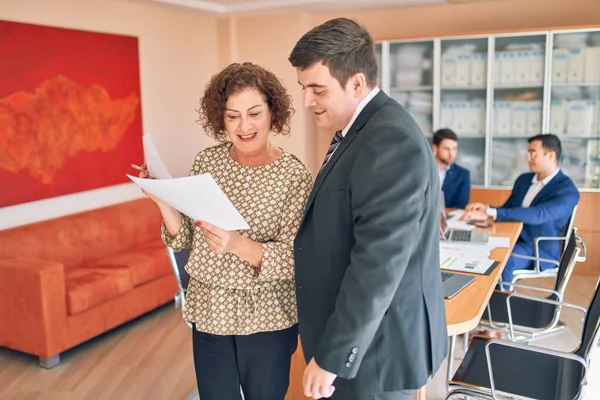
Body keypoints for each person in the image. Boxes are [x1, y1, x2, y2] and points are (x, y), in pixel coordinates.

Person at [288, 18, 448, 400]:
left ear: (356, 83)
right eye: (304, 88)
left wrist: (332, 357)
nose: (307, 101)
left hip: (376, 352)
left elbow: (378, 264)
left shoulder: (388, 138)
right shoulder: (360, 130)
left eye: (317, 89)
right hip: (368, 341)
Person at [138, 62, 313, 400]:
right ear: (220, 118)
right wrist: (161, 199)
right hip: (209, 311)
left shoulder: (293, 176)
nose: (244, 126)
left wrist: (236, 244)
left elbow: (295, 258)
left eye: (254, 113)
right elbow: (185, 237)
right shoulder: (207, 162)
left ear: (272, 112)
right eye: (233, 116)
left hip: (266, 318)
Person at [462, 134, 579, 284]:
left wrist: (492, 213)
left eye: (532, 153)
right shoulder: (524, 180)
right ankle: (482, 302)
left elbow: (538, 214)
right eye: (527, 153)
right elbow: (507, 209)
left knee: (503, 261)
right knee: (473, 249)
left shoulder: (567, 190)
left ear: (550, 155)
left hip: (536, 248)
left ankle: (501, 304)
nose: (528, 158)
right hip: (511, 237)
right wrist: (487, 209)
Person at [432, 128, 471, 209]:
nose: (452, 154)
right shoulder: (423, 171)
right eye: (446, 149)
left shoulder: (462, 174)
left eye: (454, 149)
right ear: (435, 148)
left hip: (450, 219)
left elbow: (461, 206)